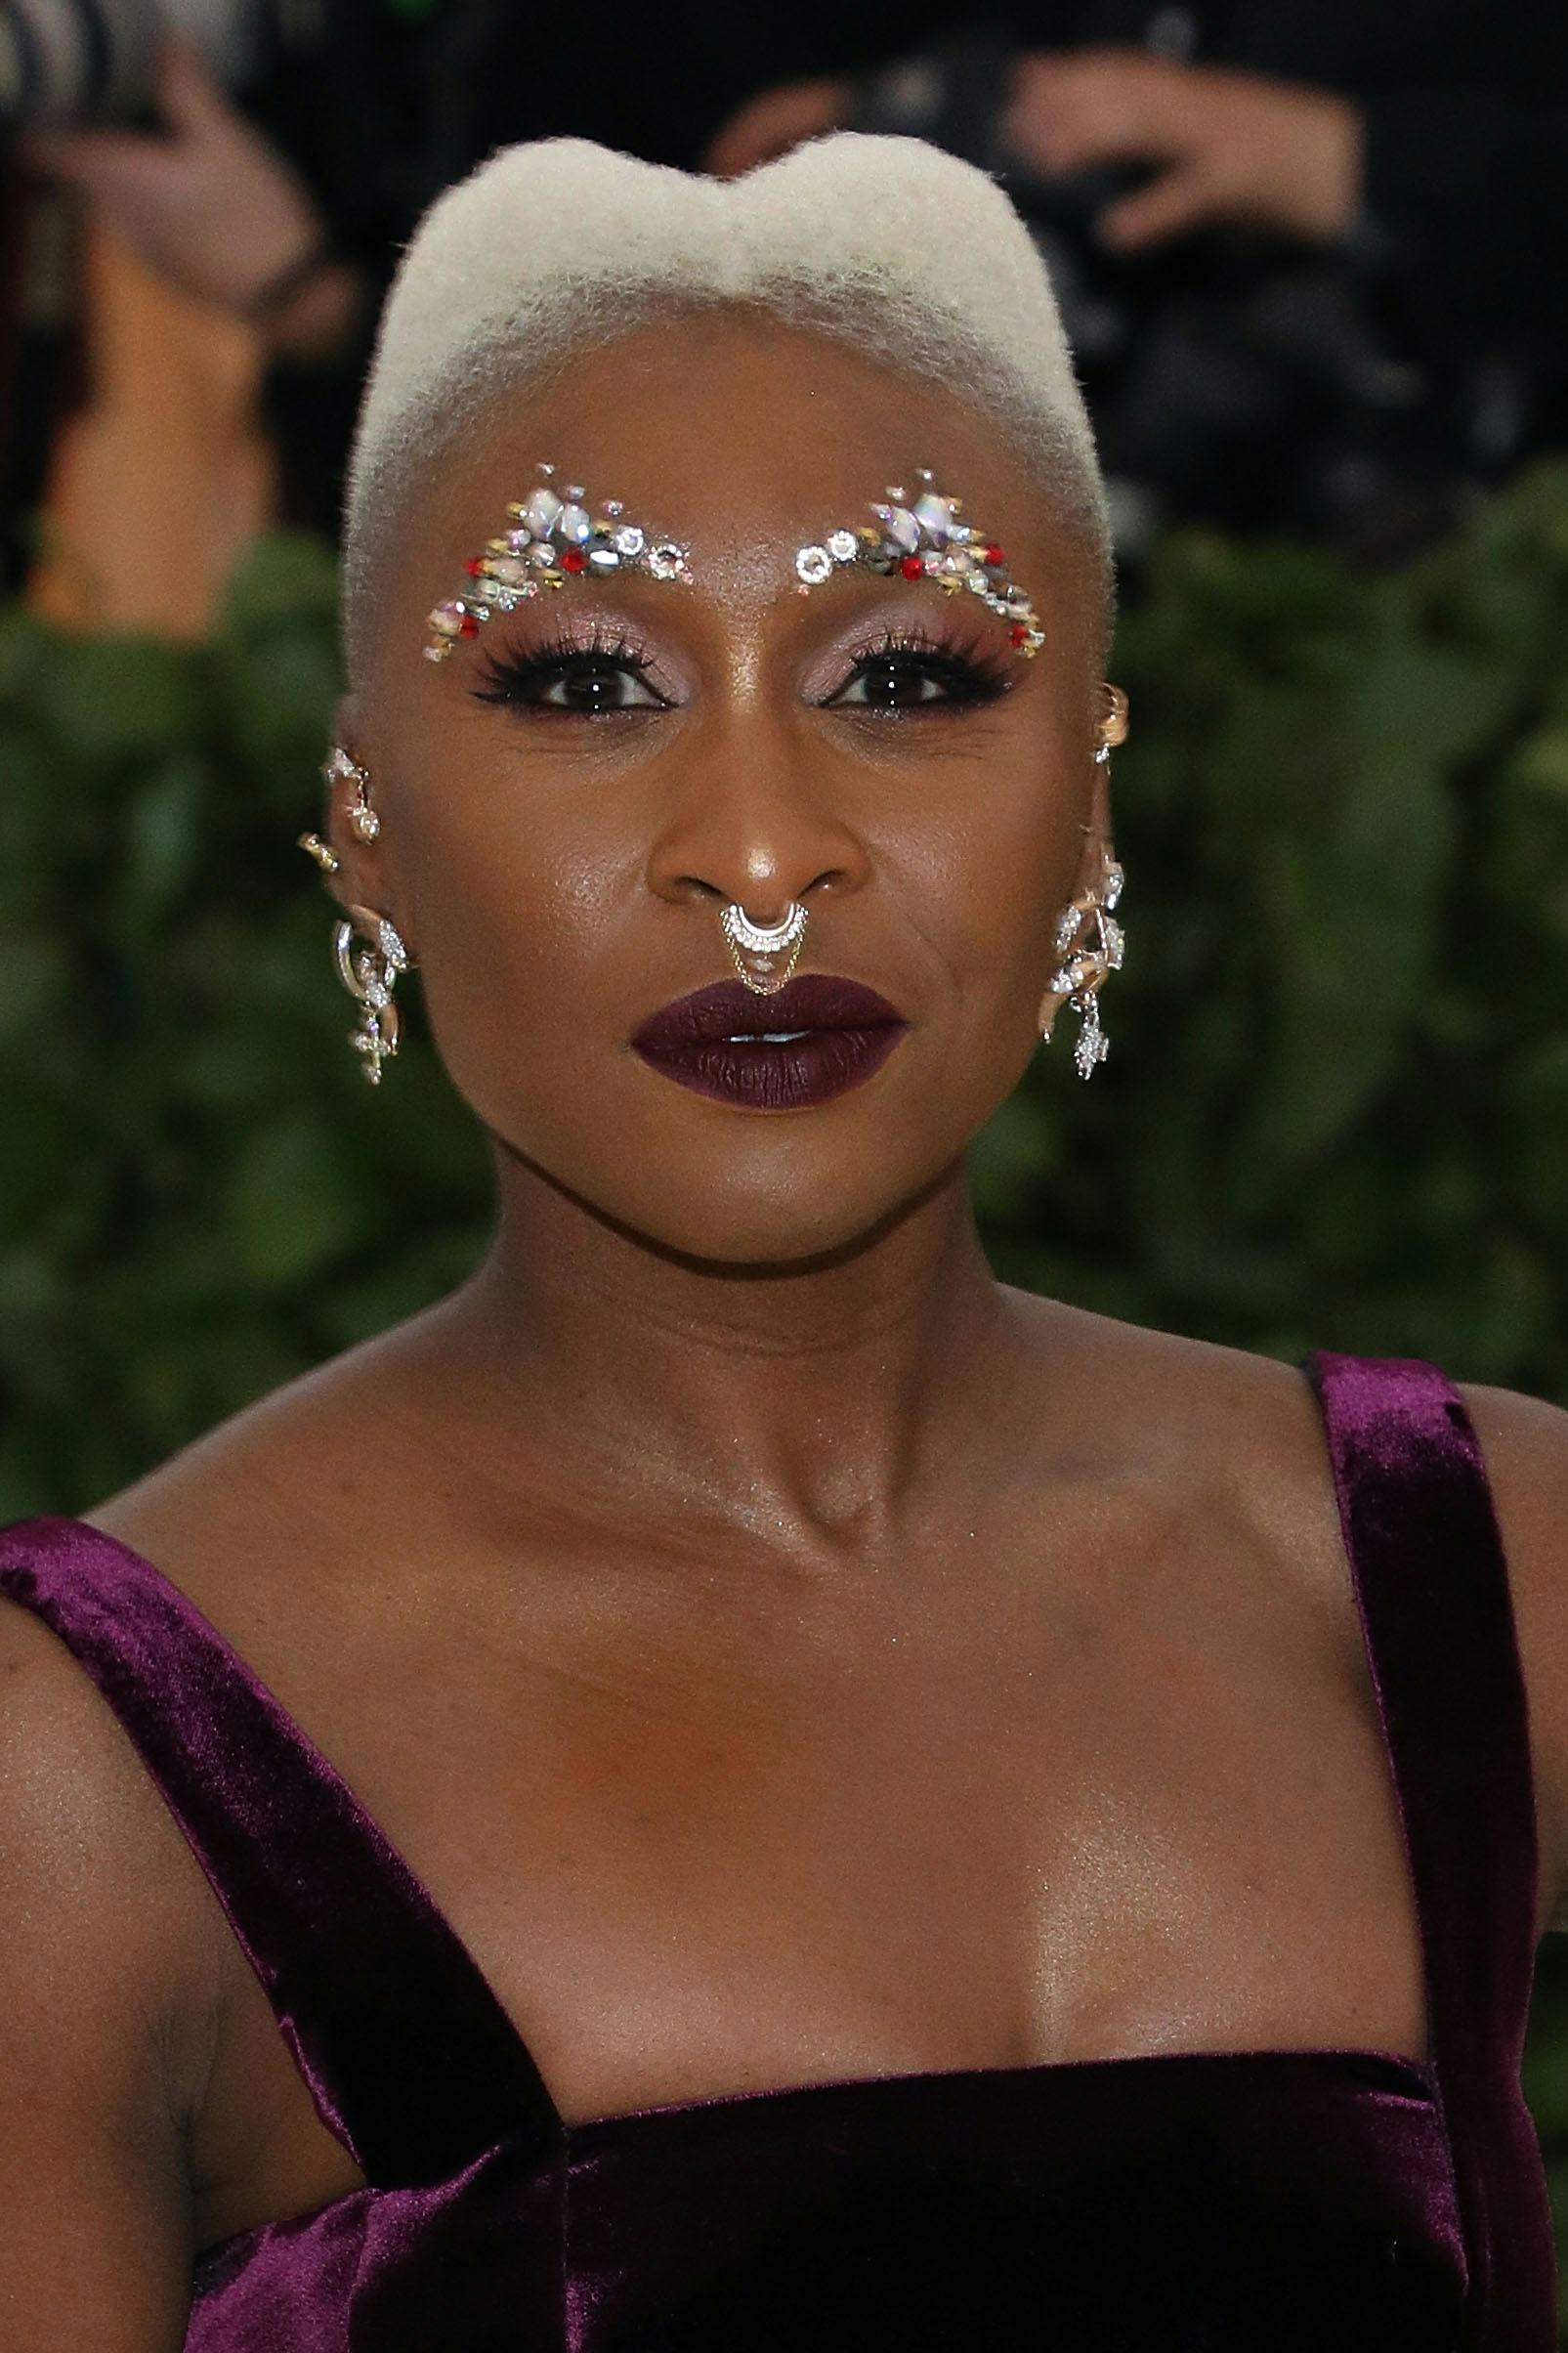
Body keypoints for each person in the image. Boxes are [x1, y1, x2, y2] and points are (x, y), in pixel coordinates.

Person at [1, 129, 1565, 2348]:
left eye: (906, 678)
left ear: (1087, 800)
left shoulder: (1488, 1570)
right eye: (582, 682)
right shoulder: (74, 1781)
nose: (756, 853)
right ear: (363, 825)